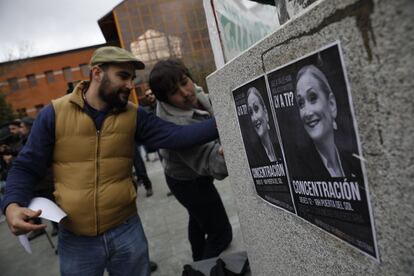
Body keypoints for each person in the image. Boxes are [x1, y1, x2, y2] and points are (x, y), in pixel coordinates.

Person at [2, 46, 220, 276]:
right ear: (97, 73)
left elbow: (177, 136)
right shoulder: (54, 114)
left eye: (132, 78)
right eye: (123, 76)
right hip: (76, 240)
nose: (129, 84)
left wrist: (225, 117)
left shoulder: (134, 115)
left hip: (127, 231)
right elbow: (26, 166)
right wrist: (12, 205)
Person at [149, 58, 232, 261]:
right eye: (174, 92)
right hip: (188, 183)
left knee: (198, 219)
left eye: (184, 82)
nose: (186, 92)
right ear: (164, 99)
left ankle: (197, 261)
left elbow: (204, 97)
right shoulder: (176, 128)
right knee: (221, 234)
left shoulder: (187, 89)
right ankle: (203, 269)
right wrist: (234, 144)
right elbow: (213, 163)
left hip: (188, 176)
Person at [294, 64, 359, 178]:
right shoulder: (300, 170)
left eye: (313, 98)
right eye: (301, 104)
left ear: (331, 105)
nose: (307, 113)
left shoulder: (353, 163)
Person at [246, 87, 277, 163]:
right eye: (251, 112)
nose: (254, 118)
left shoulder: (279, 147)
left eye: (256, 108)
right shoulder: (253, 157)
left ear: (265, 112)